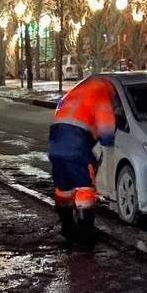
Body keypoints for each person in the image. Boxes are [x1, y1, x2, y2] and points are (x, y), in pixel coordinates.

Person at [47, 78, 117, 248]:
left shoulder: (77, 92)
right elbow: (107, 128)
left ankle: (67, 227)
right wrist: (107, 142)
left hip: (56, 140)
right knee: (85, 188)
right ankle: (85, 235)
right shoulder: (102, 93)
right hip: (77, 141)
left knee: (63, 188)